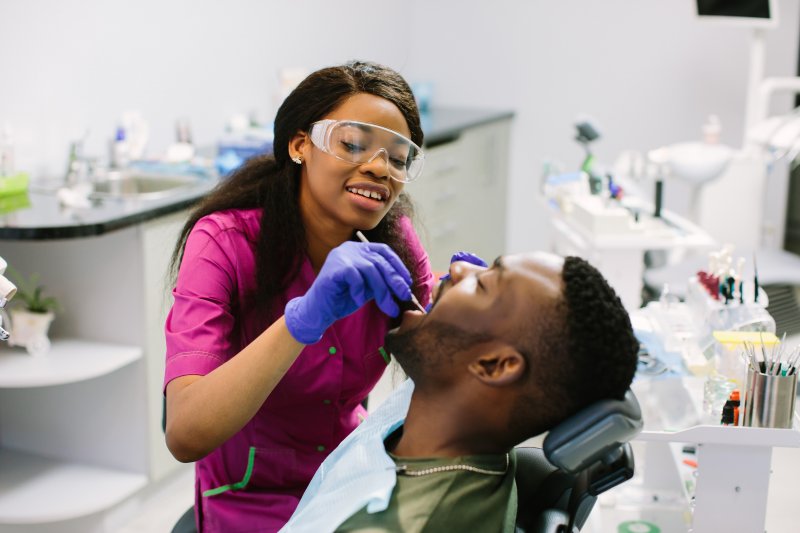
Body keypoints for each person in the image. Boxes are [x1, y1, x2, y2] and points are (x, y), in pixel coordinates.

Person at [163, 61, 435, 532]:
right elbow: (185, 434)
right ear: (299, 144)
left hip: (351, 479)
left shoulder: (395, 243)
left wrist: (460, 312)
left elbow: (439, 379)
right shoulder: (225, 244)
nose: (378, 167)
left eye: (397, 157)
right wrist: (299, 323)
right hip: (249, 500)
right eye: (352, 144)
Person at [281, 252, 640, 532]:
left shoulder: (393, 524)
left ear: (495, 366)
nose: (458, 270)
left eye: (484, 284)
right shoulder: (460, 426)